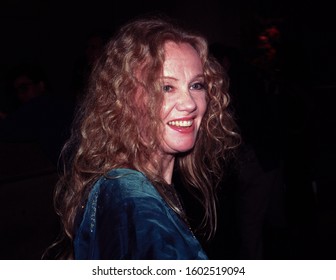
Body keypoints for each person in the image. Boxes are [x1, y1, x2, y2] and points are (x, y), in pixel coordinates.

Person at [51, 16, 240, 260]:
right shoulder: (132, 202)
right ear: (125, 99)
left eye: (197, 85)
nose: (189, 103)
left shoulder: (133, 189)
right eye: (166, 87)